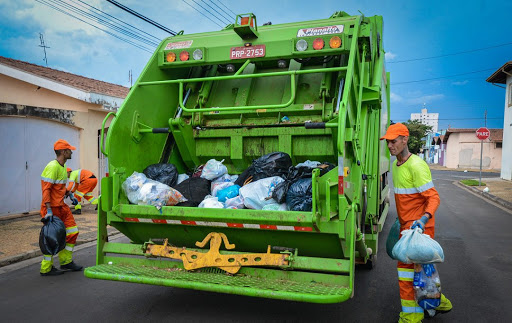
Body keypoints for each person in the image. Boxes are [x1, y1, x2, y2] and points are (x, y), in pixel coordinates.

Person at [380, 123, 452, 322]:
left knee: (408, 275)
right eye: (388, 142)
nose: (390, 145)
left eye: (393, 141)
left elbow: (434, 198)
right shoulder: (396, 166)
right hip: (406, 229)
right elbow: (406, 199)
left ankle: (410, 318)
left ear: (405, 140)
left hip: (420, 230)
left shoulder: (417, 165)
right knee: (421, 274)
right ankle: (439, 302)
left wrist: (422, 219)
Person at [40, 139, 83, 276]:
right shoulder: (52, 167)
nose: (71, 152)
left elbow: (59, 187)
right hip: (51, 208)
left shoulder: (63, 167)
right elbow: (46, 190)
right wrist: (49, 211)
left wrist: (70, 194)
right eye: (69, 150)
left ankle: (66, 262)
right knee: (51, 238)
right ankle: (46, 268)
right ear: (64, 152)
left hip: (61, 207)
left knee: (72, 231)